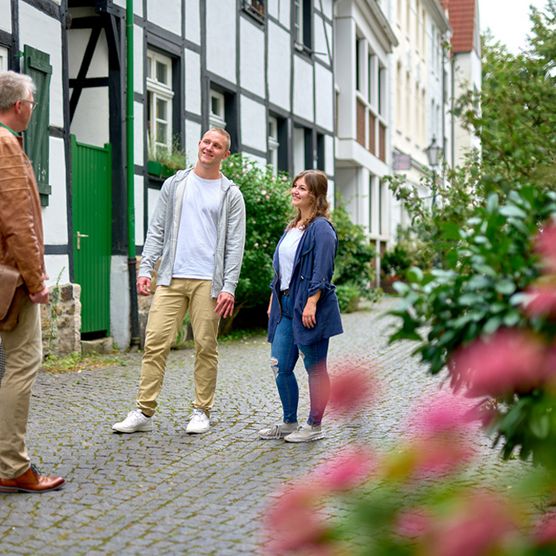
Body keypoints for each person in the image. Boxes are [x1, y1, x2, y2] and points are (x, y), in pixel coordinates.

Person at [113, 128, 246, 434]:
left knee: (205, 345)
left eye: (217, 146)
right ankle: (143, 411)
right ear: (199, 144)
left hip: (207, 283)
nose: (209, 148)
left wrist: (229, 286)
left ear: (225, 155)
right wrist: (145, 269)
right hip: (171, 277)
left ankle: (201, 410)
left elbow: (235, 244)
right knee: (155, 343)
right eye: (206, 142)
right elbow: (157, 229)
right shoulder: (175, 184)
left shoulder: (231, 194)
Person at [0, 71, 65, 492]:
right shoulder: (6, 145)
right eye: (33, 101)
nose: (33, 107)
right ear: (20, 104)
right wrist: (36, 278)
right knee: (22, 365)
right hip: (10, 278)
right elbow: (18, 223)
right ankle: (11, 467)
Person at [259, 170, 343, 443]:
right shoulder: (293, 226)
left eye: (302, 188)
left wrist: (312, 301)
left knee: (315, 368)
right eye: (294, 186)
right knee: (279, 364)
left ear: (316, 196)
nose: (295, 191)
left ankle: (314, 426)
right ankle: (289, 421)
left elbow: (323, 268)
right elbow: (282, 269)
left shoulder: (321, 228)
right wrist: (275, 299)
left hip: (308, 304)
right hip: (285, 304)